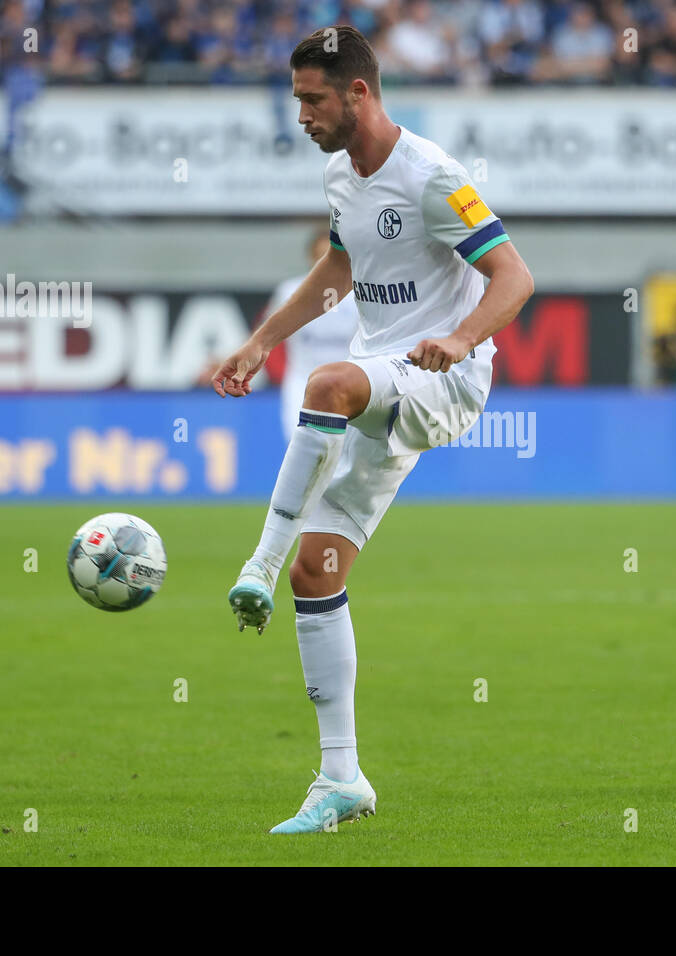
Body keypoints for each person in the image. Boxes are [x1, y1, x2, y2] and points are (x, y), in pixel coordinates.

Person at [210, 25, 534, 833]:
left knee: (328, 383)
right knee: (317, 575)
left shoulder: (432, 177)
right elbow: (340, 271)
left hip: (443, 380)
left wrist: (461, 338)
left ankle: (257, 556)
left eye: (312, 99)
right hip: (383, 383)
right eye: (296, 100)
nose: (302, 115)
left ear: (358, 92)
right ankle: (341, 778)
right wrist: (259, 343)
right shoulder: (339, 176)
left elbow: (515, 275)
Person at [265, 226, 361, 443]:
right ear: (310, 257)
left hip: (347, 383)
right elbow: (267, 335)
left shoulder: (359, 292)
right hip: (302, 383)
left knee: (346, 452)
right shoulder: (289, 291)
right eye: (320, 257)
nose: (326, 265)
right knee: (300, 447)